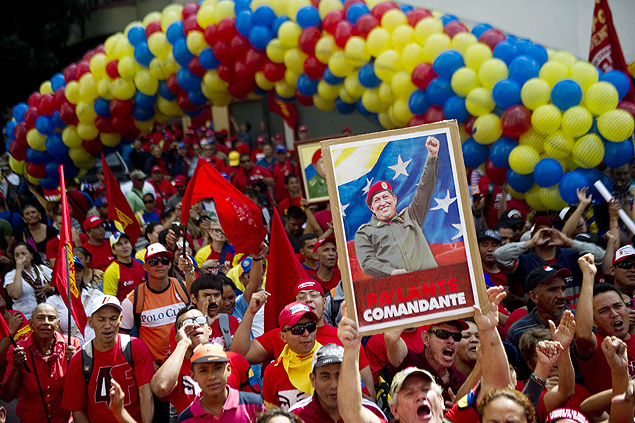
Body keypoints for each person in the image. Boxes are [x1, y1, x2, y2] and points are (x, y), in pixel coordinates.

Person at [355, 136, 440, 278]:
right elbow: (367, 262)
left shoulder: (411, 215)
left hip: (433, 283)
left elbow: (425, 189)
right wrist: (392, 273)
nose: (383, 203)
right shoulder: (365, 233)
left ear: (394, 200)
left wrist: (432, 156)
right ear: (371, 208)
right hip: (399, 291)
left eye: (386, 197)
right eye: (377, 200)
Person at [63, 294, 155, 423]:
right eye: (101, 319)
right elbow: (77, 409)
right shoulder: (80, 359)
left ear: (121, 319)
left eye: (113, 318)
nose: (108, 325)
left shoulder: (135, 347)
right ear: (90, 322)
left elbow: (146, 394)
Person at [151, 305, 258, 415]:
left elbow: (253, 406)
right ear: (179, 334)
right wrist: (183, 343)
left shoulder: (234, 359)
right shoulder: (175, 367)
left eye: (201, 320)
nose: (195, 325)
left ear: (209, 330)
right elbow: (161, 387)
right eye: (187, 323)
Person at [493, 217, 605, 304]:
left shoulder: (572, 256)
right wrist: (530, 243)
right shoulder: (525, 261)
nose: (545, 234)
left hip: (574, 315)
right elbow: (498, 255)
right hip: (539, 320)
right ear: (533, 235)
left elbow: (601, 256)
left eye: (549, 231)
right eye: (540, 232)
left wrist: (569, 242)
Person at [2, 303, 80, 423]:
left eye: (51, 318)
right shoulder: (18, 350)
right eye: (40, 318)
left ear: (58, 323)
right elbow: (7, 396)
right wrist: (16, 368)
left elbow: (82, 390)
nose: (46, 322)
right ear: (31, 324)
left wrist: (75, 363)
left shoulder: (72, 345)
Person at [121, 243, 193, 364]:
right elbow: (123, 337)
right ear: (145, 266)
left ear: (170, 264)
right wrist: (143, 363)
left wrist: (190, 271)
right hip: (154, 367)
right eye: (154, 261)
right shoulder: (132, 299)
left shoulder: (183, 288)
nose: (160, 265)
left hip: (186, 362)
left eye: (164, 261)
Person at [574, 253, 635, 394]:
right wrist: (588, 276)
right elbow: (582, 334)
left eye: (618, 306)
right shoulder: (595, 346)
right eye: (604, 310)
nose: (614, 313)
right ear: (593, 321)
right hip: (610, 416)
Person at [289, 343, 386, 423]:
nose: (334, 385)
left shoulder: (371, 411)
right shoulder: (295, 415)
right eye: (325, 377)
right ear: (313, 379)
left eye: (340, 376)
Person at [384, 318, 468, 404]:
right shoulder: (411, 364)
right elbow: (391, 337)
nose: (451, 341)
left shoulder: (460, 380)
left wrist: (459, 411)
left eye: (456, 336)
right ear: (426, 339)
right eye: (443, 334)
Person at [177, 342, 264, 423]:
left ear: (228, 370)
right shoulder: (186, 419)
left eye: (217, 368)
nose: (212, 376)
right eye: (203, 370)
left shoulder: (253, 405)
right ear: (193, 376)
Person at [262, 302, 320, 410]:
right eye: (298, 329)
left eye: (311, 327)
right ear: (283, 336)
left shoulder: (332, 361)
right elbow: (270, 416)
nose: (306, 333)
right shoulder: (272, 372)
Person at [506, 265, 573, 351]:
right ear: (534, 296)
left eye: (563, 289)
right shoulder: (518, 331)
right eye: (553, 289)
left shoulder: (578, 320)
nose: (562, 295)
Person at [46, 256, 103, 345]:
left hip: (97, 349)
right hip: (71, 352)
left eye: (78, 271)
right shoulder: (53, 302)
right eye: (70, 271)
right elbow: (54, 331)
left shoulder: (96, 295)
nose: (75, 274)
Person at [189, 274, 240, 350]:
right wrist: (204, 324)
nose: (213, 300)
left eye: (216, 295)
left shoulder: (231, 321)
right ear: (194, 299)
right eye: (207, 295)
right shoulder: (186, 328)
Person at [4, 241, 53, 320]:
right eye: (17, 255)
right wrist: (19, 269)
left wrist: (50, 288)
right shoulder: (11, 275)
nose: (20, 257)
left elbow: (59, 285)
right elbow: (15, 295)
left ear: (31, 255)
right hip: (25, 318)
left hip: (46, 315)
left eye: (23, 253)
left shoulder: (42, 269)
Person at [103, 232, 147, 301]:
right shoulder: (111, 271)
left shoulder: (141, 263)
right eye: (119, 244)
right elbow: (110, 301)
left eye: (126, 242)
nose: (124, 246)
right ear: (113, 250)